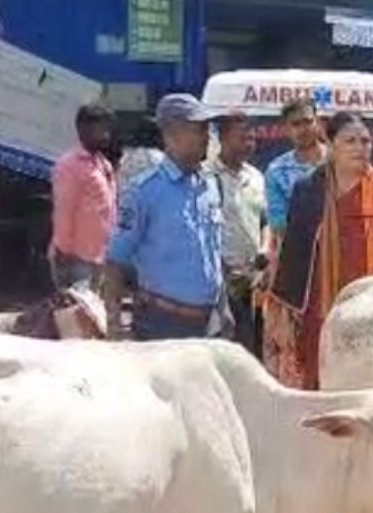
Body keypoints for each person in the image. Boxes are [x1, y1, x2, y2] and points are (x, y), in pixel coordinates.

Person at [267, 112, 373, 389]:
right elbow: (293, 257)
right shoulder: (309, 189)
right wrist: (285, 317)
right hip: (319, 315)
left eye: (366, 141)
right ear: (330, 143)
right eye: (350, 141)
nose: (361, 148)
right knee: (320, 391)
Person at [104, 94, 227, 341]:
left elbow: (214, 254)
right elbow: (115, 259)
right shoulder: (144, 191)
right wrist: (113, 322)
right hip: (162, 323)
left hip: (209, 322)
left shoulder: (211, 185)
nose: (208, 136)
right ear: (171, 134)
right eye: (199, 128)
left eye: (208, 128)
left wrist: (224, 309)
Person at [205, 110, 268, 355]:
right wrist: (224, 269)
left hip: (253, 281)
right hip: (220, 281)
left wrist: (264, 250)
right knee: (222, 348)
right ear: (222, 138)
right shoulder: (206, 176)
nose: (248, 144)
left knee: (251, 348)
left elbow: (265, 221)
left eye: (252, 138)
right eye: (241, 138)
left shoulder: (256, 177)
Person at [50, 103, 117, 290]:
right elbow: (64, 210)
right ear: (82, 129)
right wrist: (63, 251)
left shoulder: (103, 164)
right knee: (77, 315)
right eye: (100, 129)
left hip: (99, 255)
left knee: (94, 313)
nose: (106, 135)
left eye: (107, 129)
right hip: (76, 258)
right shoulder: (69, 166)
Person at [266, 97, 327, 252]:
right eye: (296, 124)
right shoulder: (277, 171)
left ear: (317, 123)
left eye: (307, 122)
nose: (303, 129)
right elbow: (279, 226)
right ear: (286, 129)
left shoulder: (338, 160)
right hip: (300, 254)